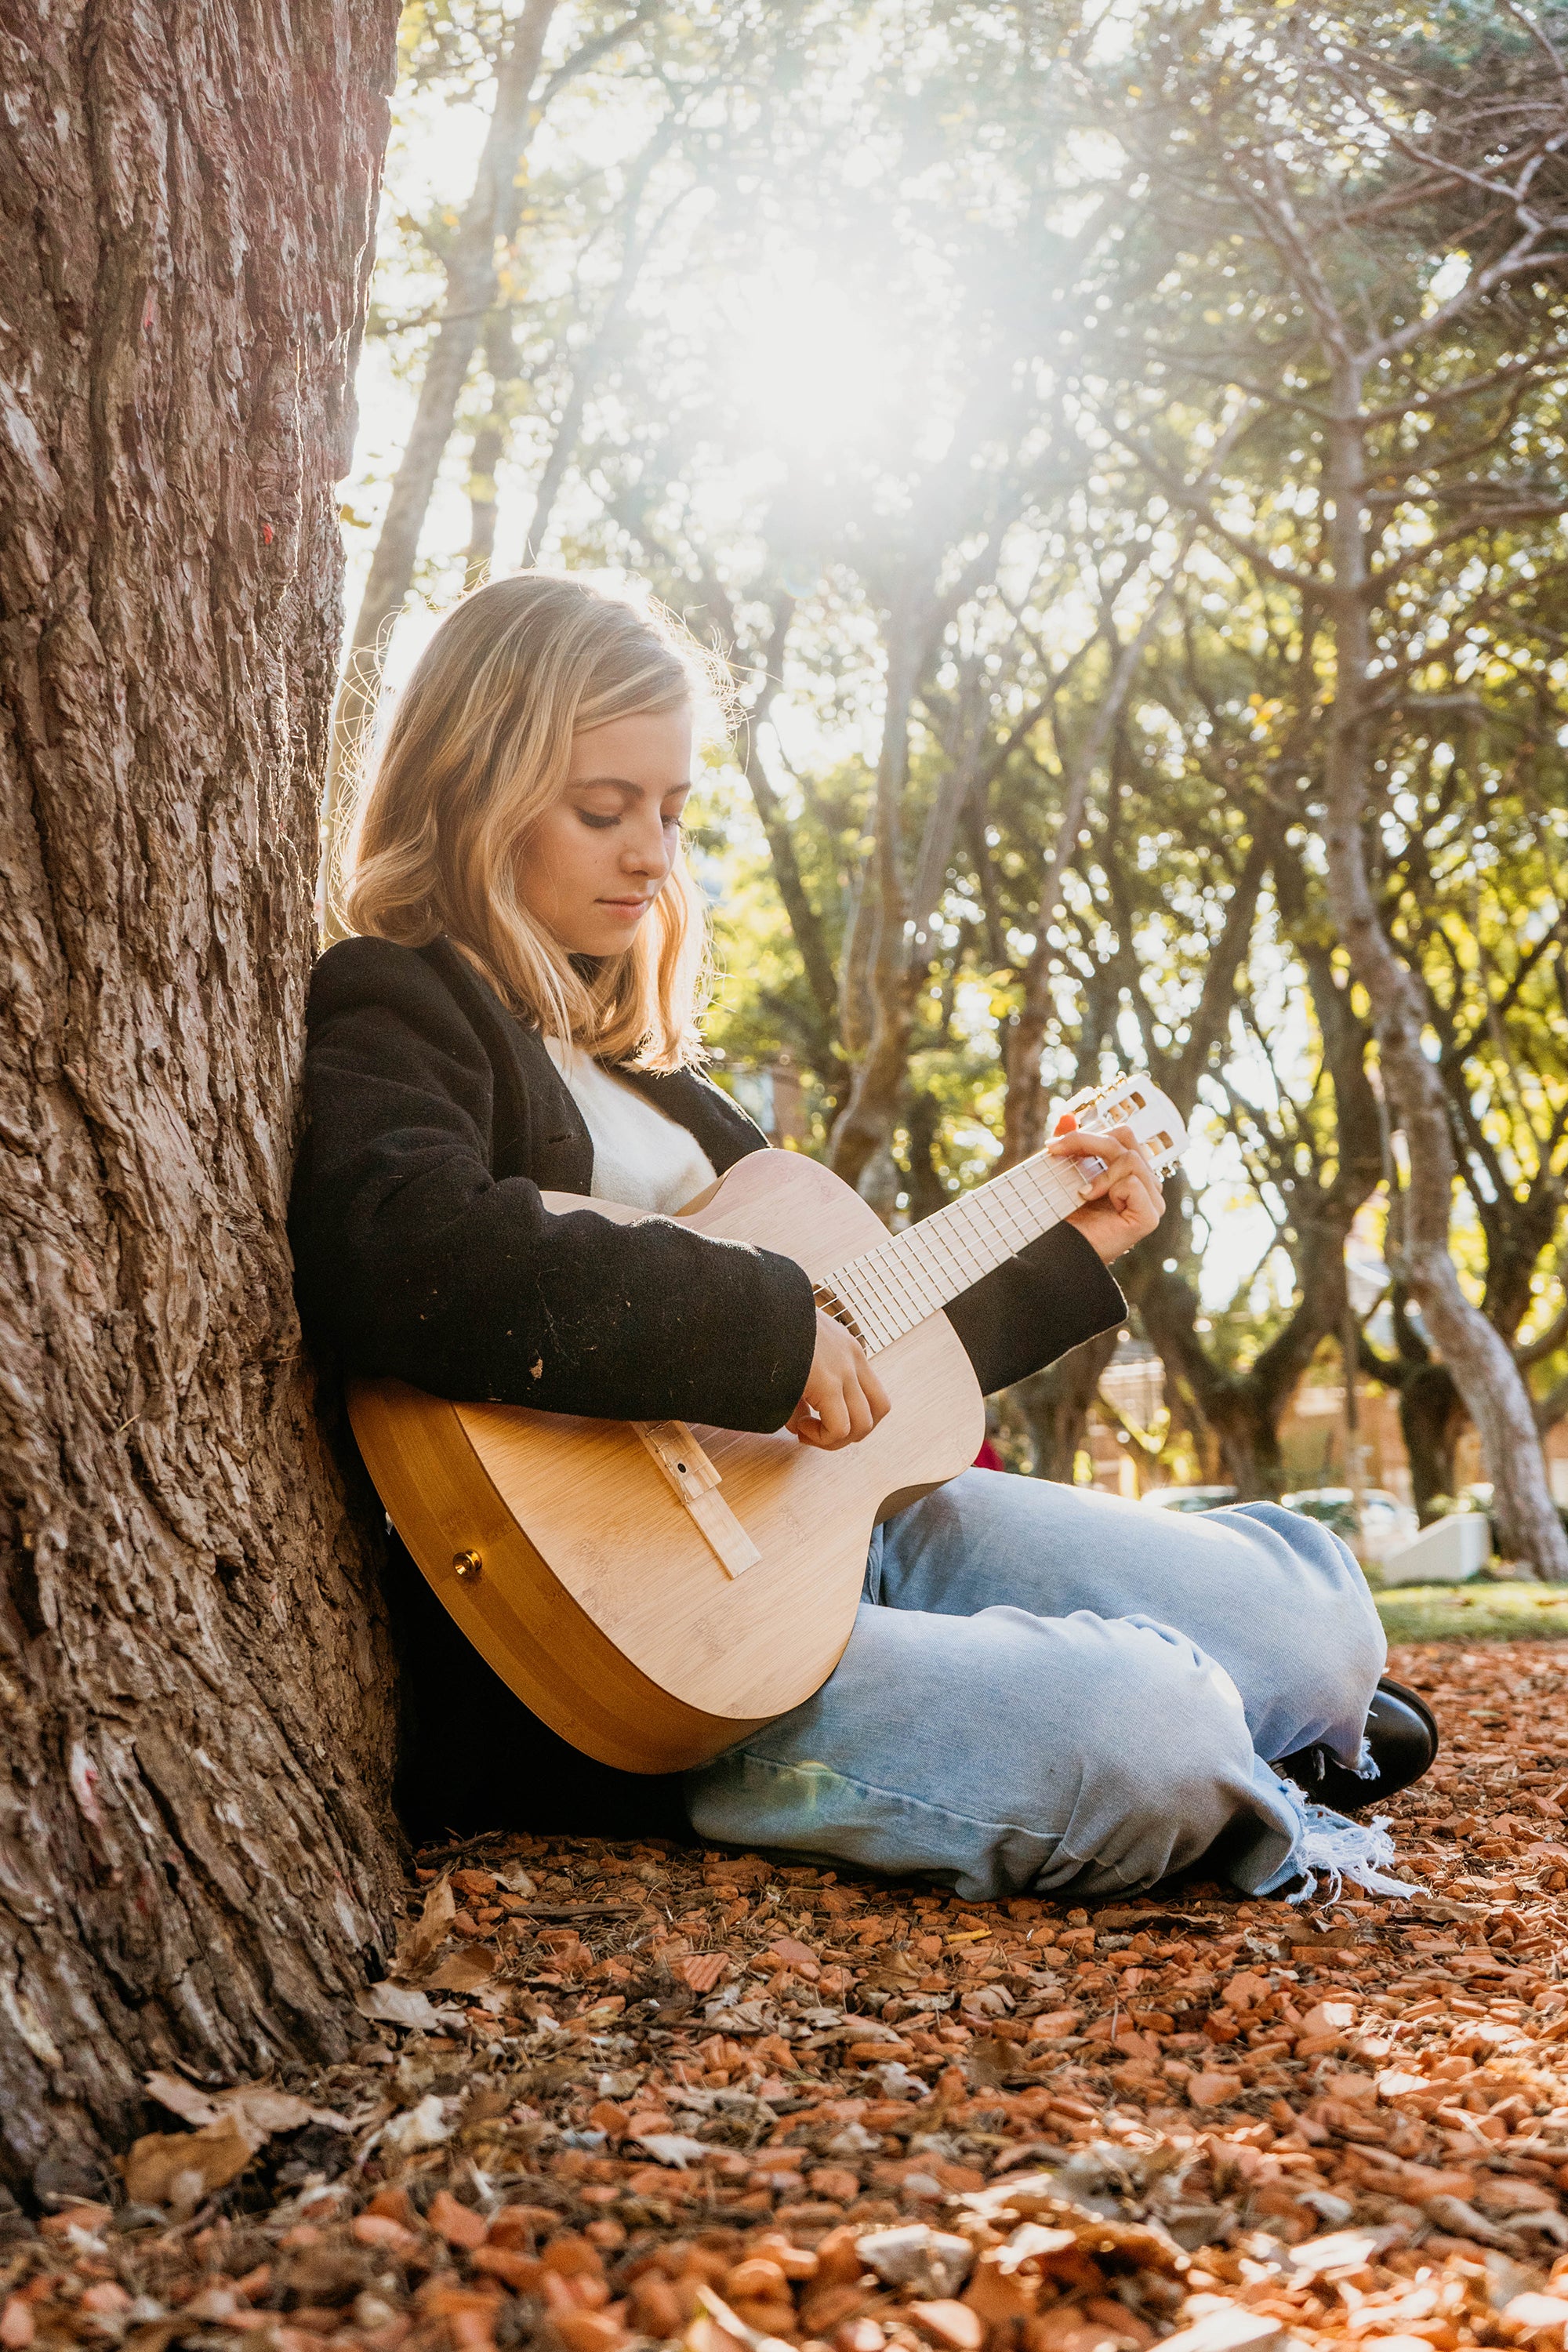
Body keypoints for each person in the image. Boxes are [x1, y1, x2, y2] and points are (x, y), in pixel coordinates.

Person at [289, 572, 1436, 1904]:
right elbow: (399, 1246)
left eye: (672, 812)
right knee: (1149, 1733)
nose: (654, 855)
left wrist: (1067, 1240)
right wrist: (768, 1335)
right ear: (472, 789)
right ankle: (1205, 1757)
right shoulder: (403, 999)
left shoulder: (668, 1088)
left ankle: (1251, 1728)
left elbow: (865, 1349)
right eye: (604, 809)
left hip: (847, 1530)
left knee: (1314, 1618)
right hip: (662, 1651)